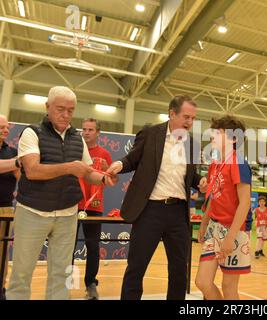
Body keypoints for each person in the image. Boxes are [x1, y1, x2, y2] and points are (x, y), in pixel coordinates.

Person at [6, 86, 116, 300]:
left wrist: (104, 178)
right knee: (21, 273)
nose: (66, 115)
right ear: (47, 107)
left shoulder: (78, 138)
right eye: (60, 109)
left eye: (71, 110)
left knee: (61, 274)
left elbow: (87, 172)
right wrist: (69, 167)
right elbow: (33, 170)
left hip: (67, 214)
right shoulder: (31, 132)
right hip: (32, 212)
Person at [107, 95, 207, 300]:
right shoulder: (151, 133)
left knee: (180, 269)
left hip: (178, 213)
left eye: (193, 118)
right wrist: (119, 165)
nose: (190, 122)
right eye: (186, 117)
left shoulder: (193, 144)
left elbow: (188, 175)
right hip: (149, 211)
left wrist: (200, 181)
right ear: (172, 113)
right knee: (137, 266)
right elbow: (132, 159)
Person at [195, 115, 252, 300]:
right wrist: (204, 223)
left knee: (228, 287)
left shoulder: (239, 163)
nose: (212, 135)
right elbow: (212, 197)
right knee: (202, 282)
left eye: (218, 133)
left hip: (234, 230)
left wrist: (230, 236)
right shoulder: (216, 164)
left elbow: (244, 203)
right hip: (214, 227)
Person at [76, 118, 112, 300]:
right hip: (73, 205)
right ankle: (62, 282)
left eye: (90, 129)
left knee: (92, 246)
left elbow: (113, 180)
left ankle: (91, 284)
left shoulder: (104, 153)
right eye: (84, 129)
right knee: (66, 246)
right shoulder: (75, 149)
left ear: (98, 133)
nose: (86, 132)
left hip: (94, 207)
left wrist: (109, 170)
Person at [0, 115, 20, 300]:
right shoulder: (15, 157)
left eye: (7, 127)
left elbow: (21, 176)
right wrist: (16, 162)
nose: (6, 130)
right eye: (2, 127)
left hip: (5, 210)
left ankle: (1, 289)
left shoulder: (12, 152)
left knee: (2, 254)